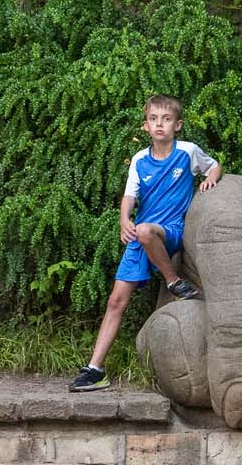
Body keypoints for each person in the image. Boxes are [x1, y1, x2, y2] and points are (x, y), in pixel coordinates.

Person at [70, 94, 222, 391]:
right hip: (143, 233)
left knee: (144, 230)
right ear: (145, 125)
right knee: (116, 300)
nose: (159, 124)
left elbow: (213, 166)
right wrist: (123, 219)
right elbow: (130, 196)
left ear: (177, 125)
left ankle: (173, 281)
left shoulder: (188, 151)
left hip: (172, 231)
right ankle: (95, 369)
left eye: (166, 119)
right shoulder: (140, 160)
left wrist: (210, 179)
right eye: (153, 119)